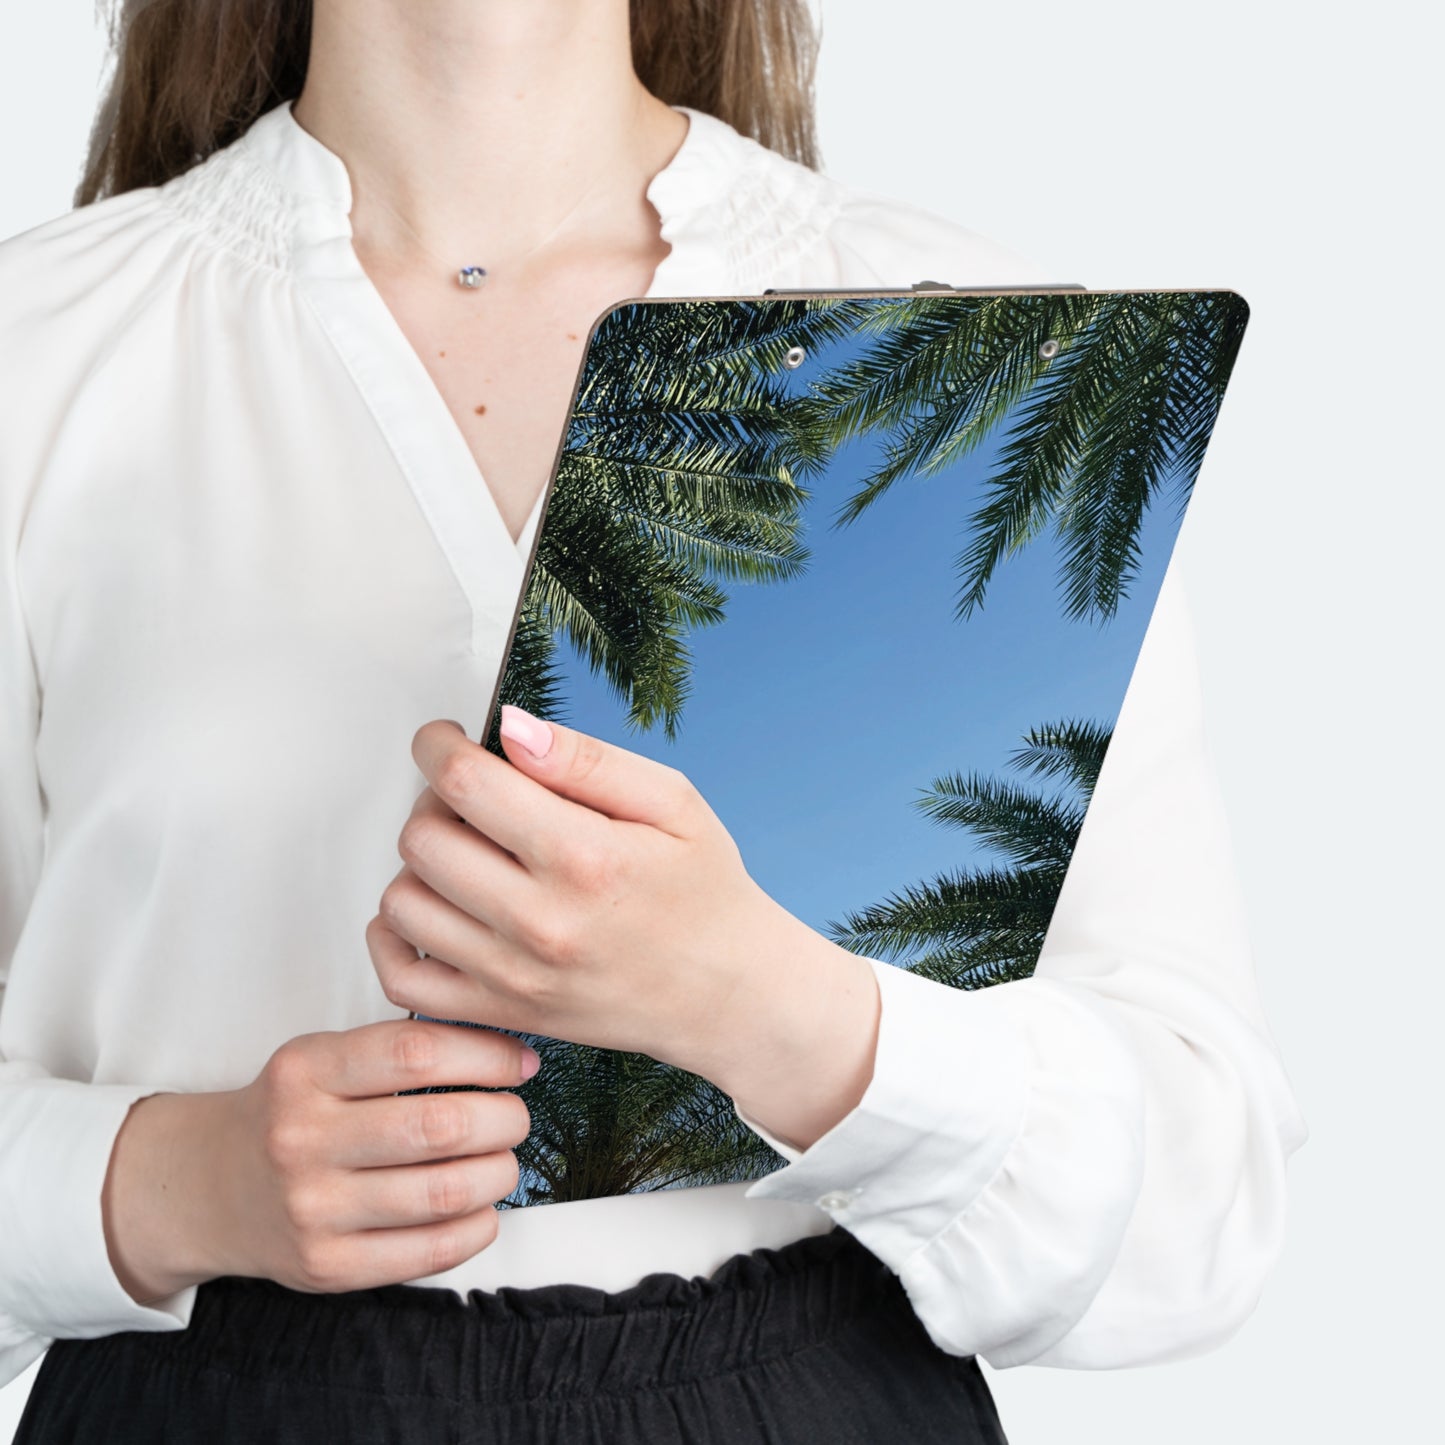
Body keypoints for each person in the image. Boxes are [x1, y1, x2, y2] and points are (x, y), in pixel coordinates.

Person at [0, 0, 1309, 1439]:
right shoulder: (41, 357)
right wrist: (169, 1181)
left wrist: (778, 1016)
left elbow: (1199, 1204)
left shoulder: (978, 352)